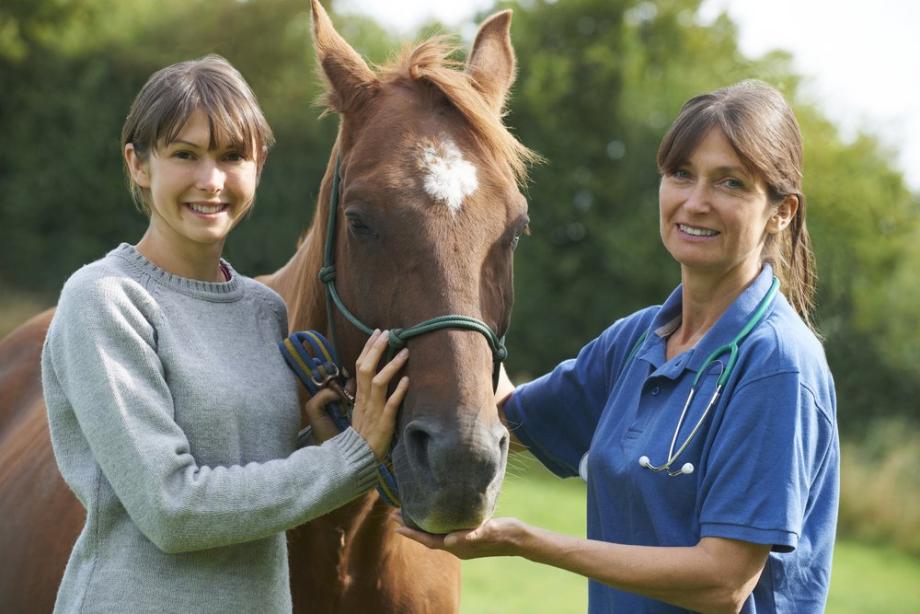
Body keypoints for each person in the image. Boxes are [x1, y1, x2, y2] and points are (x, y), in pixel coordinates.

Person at [397, 80, 839, 613]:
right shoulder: (637, 339)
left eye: (730, 183)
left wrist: (528, 542)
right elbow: (507, 410)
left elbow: (722, 582)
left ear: (782, 211)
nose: (695, 203)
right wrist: (459, 298)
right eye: (681, 174)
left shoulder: (777, 364)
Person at [40, 54, 408, 613]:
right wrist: (351, 458)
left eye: (232, 156)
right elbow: (171, 508)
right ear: (138, 164)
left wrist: (322, 435)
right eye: (184, 155)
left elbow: (256, 474)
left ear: (259, 165)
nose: (210, 181)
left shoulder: (263, 310)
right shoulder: (105, 300)